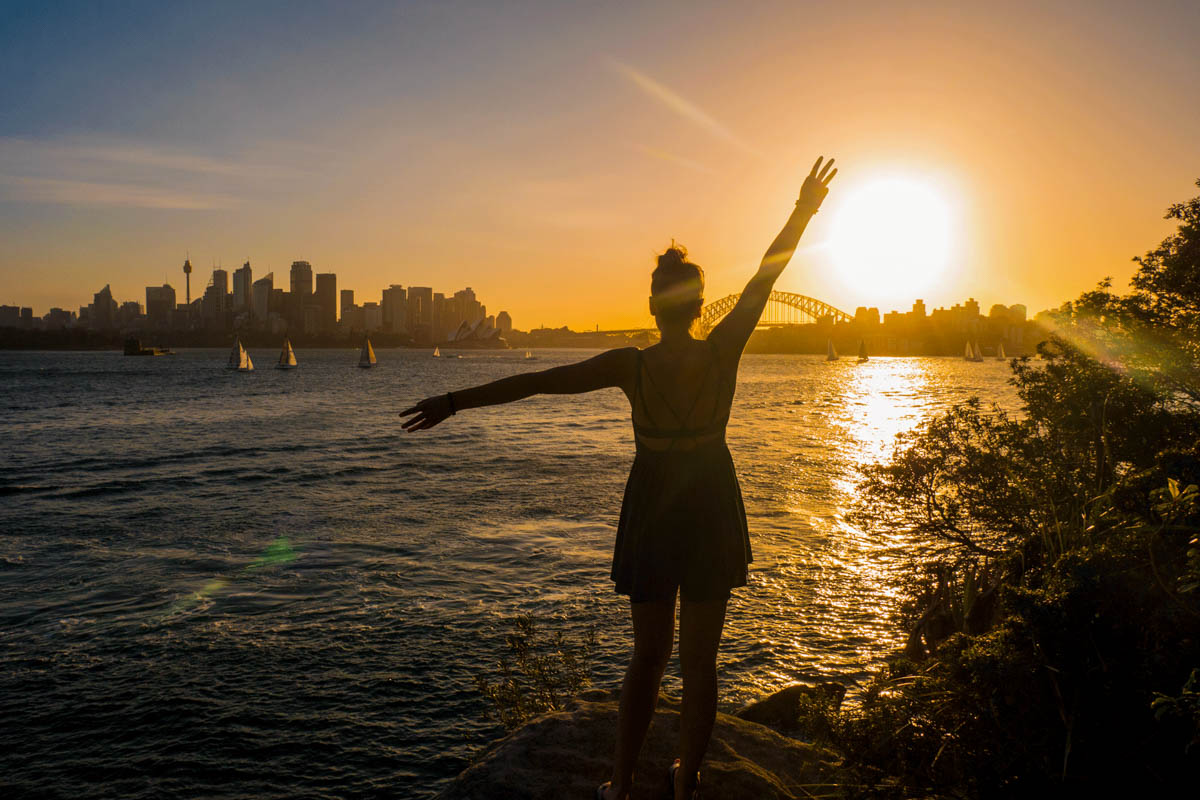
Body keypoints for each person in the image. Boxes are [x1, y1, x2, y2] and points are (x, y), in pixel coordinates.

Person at [401, 156, 837, 800]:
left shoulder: (630, 366)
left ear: (653, 304)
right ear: (695, 305)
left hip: (656, 504)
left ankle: (623, 785)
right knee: (700, 663)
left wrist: (455, 401)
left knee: (648, 657)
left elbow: (538, 383)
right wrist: (804, 208)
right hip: (713, 499)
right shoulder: (723, 349)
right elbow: (766, 277)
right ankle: (687, 780)